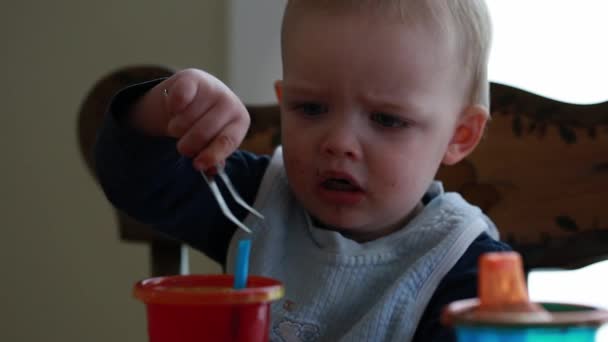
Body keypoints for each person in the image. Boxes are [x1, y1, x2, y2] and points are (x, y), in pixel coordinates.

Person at [95, 0, 511, 340]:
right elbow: (137, 179)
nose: (339, 143)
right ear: (283, 101)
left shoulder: (468, 270)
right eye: (310, 109)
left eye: (387, 120)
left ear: (460, 135)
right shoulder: (257, 201)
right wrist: (171, 105)